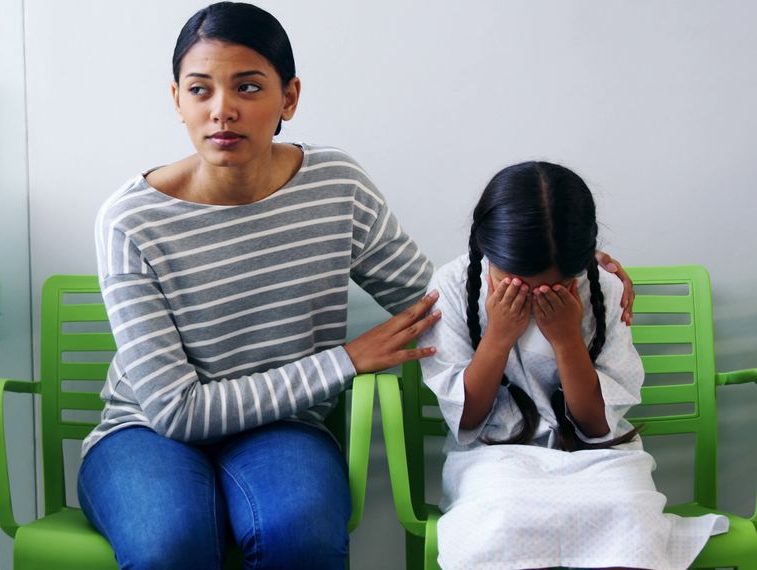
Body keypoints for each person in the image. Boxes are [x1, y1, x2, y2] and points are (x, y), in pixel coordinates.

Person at [79, 3, 636, 568]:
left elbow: (438, 304)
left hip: (283, 427)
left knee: (300, 535)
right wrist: (344, 361)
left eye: (248, 87)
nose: (223, 110)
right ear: (176, 99)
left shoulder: (335, 185)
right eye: (200, 90)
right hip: (147, 432)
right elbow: (178, 411)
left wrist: (561, 261)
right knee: (170, 543)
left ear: (289, 98)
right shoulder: (129, 221)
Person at [418, 161, 726, 569]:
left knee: (628, 515)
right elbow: (469, 420)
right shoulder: (453, 288)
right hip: (493, 455)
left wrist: (566, 339)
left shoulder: (604, 286)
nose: (534, 294)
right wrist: (499, 336)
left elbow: (598, 428)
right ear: (486, 247)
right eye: (514, 280)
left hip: (598, 455)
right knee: (504, 517)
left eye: (554, 285)